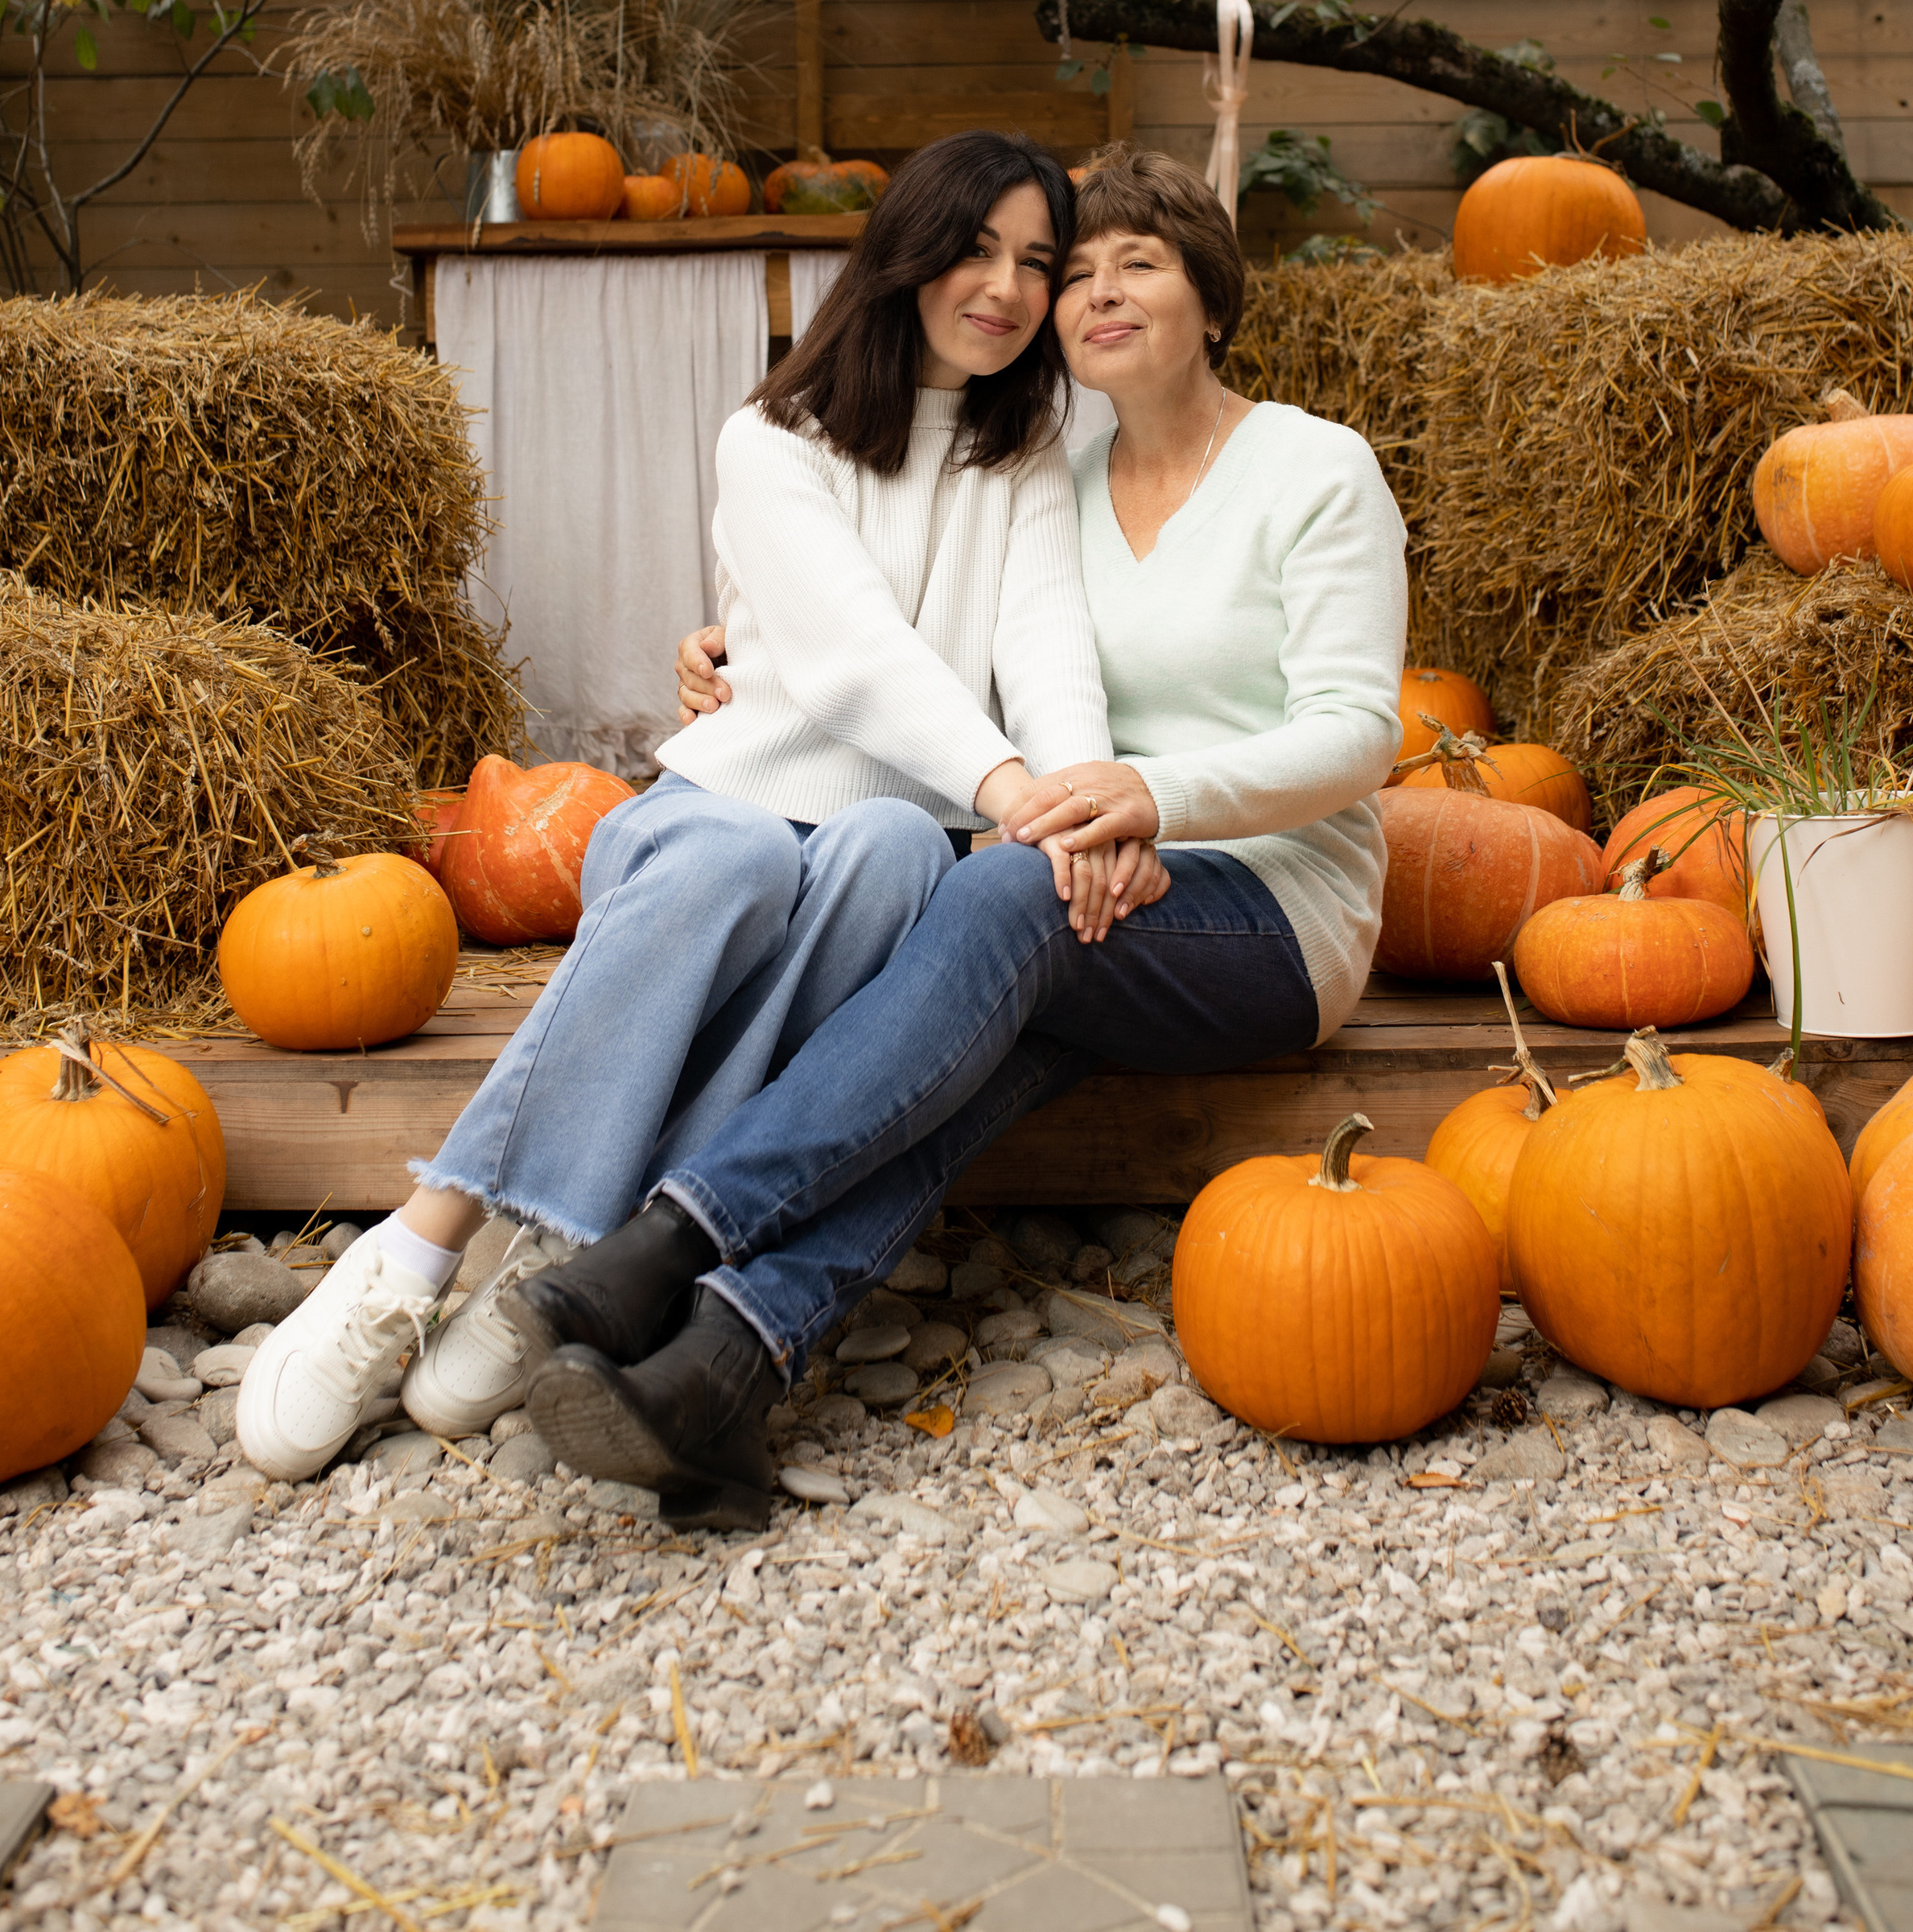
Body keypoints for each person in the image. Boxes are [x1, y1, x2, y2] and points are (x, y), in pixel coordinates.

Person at [499, 143, 1408, 1526]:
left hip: (1269, 908)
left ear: (1212, 298)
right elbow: (930, 636)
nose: (1094, 294)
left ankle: (668, 1238)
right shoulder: (1046, 461)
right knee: (959, 1080)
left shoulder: (1314, 470)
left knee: (980, 912)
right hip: (1088, 882)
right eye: (1073, 274)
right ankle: (722, 1370)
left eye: (1137, 266)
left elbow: (1358, 735)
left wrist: (1152, 802)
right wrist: (731, 648)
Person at [238, 129, 1152, 1484]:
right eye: (976, 248)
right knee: (731, 860)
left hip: (881, 827)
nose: (1006, 288)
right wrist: (1010, 783)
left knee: (903, 846)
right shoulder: (774, 438)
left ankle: (559, 1259)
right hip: (726, 809)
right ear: (907, 249)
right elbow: (850, 654)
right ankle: (423, 1241)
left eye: (1033, 261)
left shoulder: (1022, 458)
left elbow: (1051, 645)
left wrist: (1076, 806)